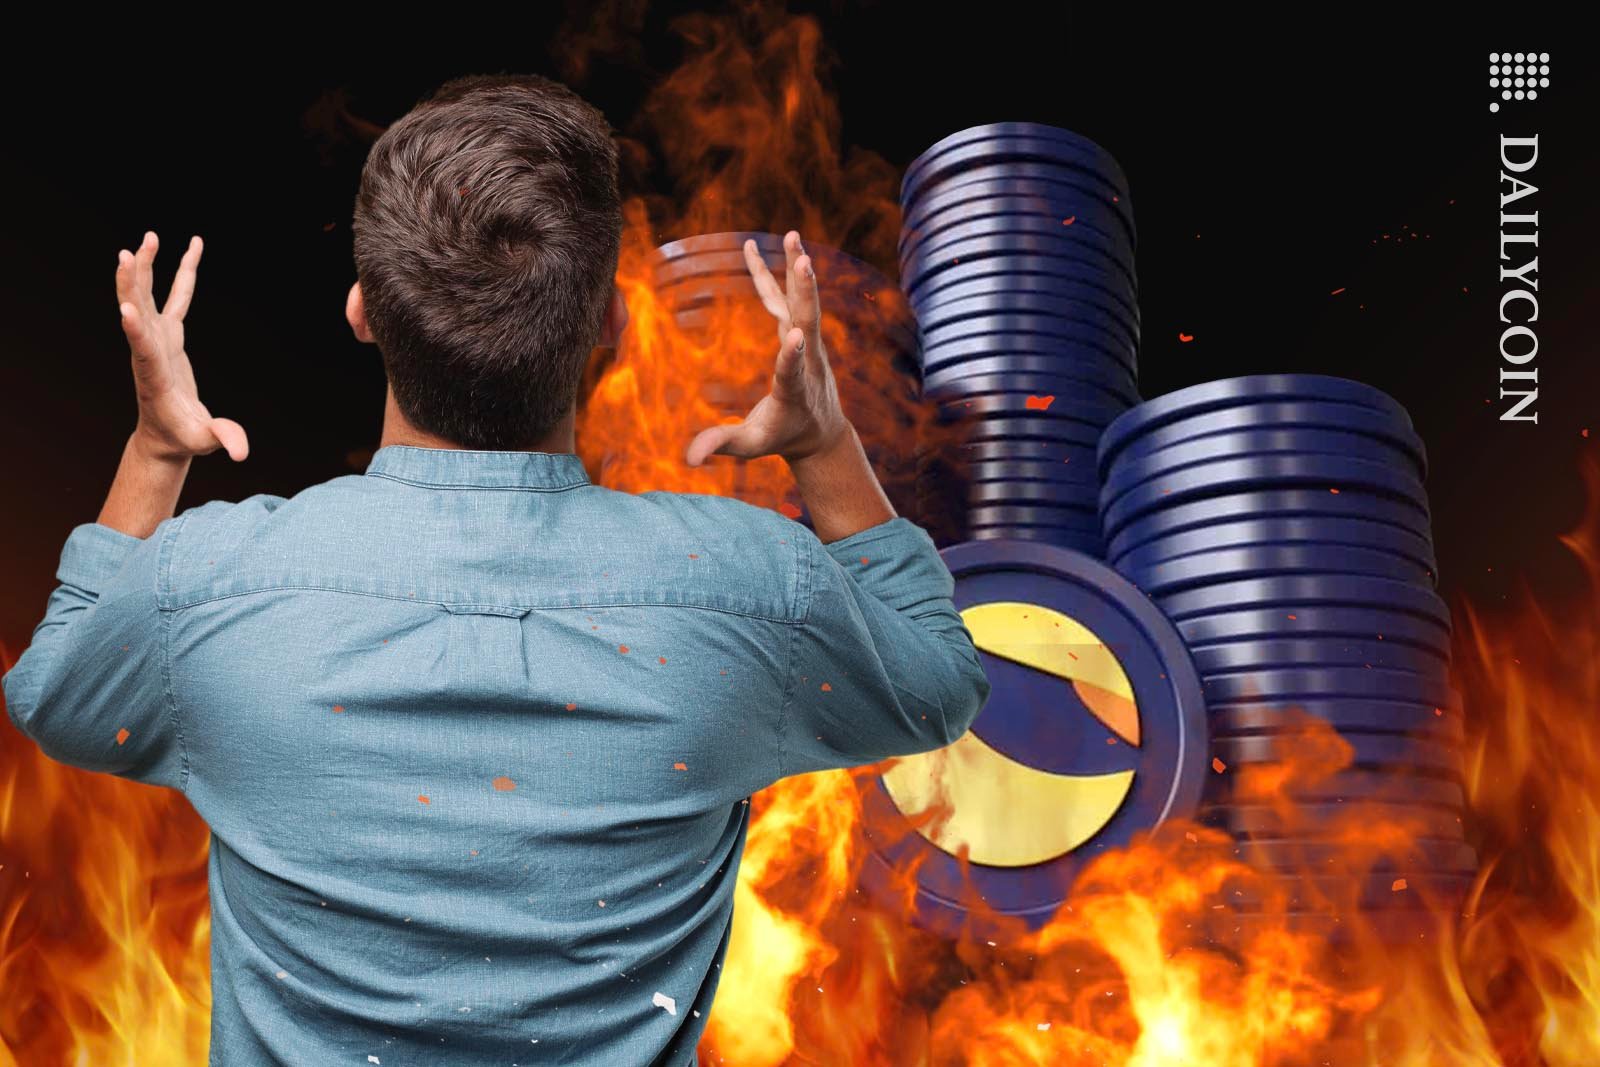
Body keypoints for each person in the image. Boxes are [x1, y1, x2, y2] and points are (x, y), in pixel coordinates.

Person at [1, 73, 991, 1066]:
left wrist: (156, 450)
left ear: (360, 310)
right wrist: (822, 442)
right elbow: (938, 686)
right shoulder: (749, 585)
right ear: (608, 319)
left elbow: (57, 691)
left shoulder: (210, 582)